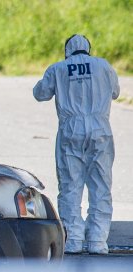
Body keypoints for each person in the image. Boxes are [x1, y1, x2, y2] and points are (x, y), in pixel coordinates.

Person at [34, 34, 120, 255]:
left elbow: (40, 94)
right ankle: (98, 242)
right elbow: (115, 92)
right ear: (88, 49)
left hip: (70, 130)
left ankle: (72, 241)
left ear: (67, 50)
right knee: (100, 186)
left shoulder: (58, 68)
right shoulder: (104, 66)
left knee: (70, 186)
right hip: (100, 130)